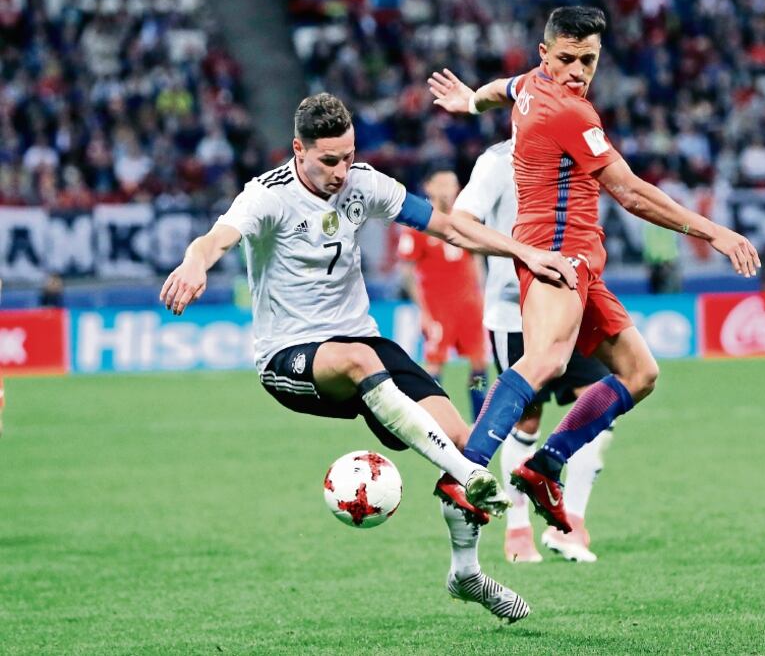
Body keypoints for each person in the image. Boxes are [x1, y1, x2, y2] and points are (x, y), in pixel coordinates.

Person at [160, 93, 577, 622]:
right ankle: (464, 474)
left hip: (364, 345)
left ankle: (466, 572)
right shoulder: (267, 196)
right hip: (290, 357)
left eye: (348, 155)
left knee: (467, 442)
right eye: (329, 160)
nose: (341, 171)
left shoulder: (364, 183)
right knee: (362, 363)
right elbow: (214, 238)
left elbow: (448, 226)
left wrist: (525, 251)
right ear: (299, 150)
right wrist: (195, 263)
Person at [428, 6, 759, 533]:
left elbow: (500, 90)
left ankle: (545, 465)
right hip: (558, 252)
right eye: (566, 59)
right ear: (545, 54)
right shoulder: (569, 112)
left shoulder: (532, 85)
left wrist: (469, 101)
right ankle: (463, 474)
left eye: (588, 59)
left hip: (585, 261)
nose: (577, 71)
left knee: (640, 373)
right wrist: (714, 231)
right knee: (546, 362)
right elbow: (630, 193)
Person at [453, 139, 612, 564]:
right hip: (513, 307)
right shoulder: (495, 162)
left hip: (576, 298)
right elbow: (462, 219)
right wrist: (518, 255)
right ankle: (518, 530)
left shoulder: (581, 148)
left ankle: (571, 525)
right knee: (528, 419)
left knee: (595, 405)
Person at [397, 169, 488, 422]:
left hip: (469, 307)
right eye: (443, 184)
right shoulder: (418, 224)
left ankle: (479, 418)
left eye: (453, 184)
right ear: (429, 187)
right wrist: (423, 311)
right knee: (435, 365)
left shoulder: (466, 220)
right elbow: (407, 271)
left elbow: (477, 256)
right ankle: (431, 419)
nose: (449, 190)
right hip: (438, 309)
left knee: (479, 365)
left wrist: (480, 294)